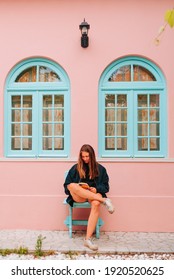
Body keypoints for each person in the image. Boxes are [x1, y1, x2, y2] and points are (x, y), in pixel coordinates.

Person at [63, 144, 115, 251]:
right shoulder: (75, 168)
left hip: (94, 195)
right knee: (72, 185)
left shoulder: (100, 169)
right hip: (79, 197)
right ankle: (104, 201)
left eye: (87, 157)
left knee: (96, 203)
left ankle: (87, 239)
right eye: (83, 157)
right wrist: (80, 188)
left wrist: (96, 189)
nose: (85, 159)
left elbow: (106, 187)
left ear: (92, 156)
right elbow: (67, 187)